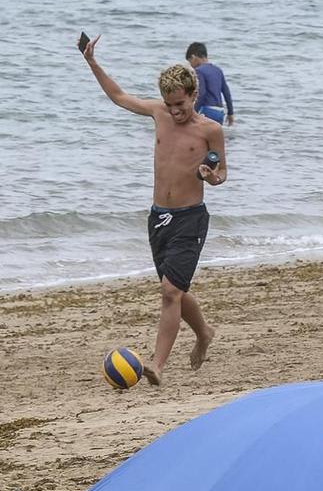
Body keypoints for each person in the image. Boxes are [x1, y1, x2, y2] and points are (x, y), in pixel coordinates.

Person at [79, 37, 225, 384]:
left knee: (170, 292)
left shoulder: (210, 130)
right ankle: (204, 332)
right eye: (169, 104)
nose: (174, 111)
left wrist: (210, 174)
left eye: (180, 104)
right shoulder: (158, 114)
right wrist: (92, 62)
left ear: (193, 95)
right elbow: (119, 97)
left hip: (191, 218)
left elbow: (222, 174)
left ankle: (157, 366)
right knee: (174, 288)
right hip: (158, 217)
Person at [186, 42, 234, 127]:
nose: (191, 65)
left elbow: (201, 94)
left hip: (207, 110)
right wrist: (230, 113)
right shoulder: (218, 70)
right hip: (219, 112)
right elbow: (226, 92)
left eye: (190, 61)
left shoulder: (199, 71)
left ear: (193, 57)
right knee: (213, 138)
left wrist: (193, 112)